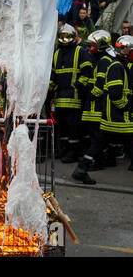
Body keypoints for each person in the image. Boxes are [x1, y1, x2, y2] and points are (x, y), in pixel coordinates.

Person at [73, 35, 133, 183]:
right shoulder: (116, 66)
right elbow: (115, 93)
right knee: (130, 143)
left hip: (111, 116)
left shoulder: (118, 64)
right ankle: (82, 168)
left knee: (99, 143)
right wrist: (125, 106)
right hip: (120, 116)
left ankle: (82, 168)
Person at [49, 24, 93, 163]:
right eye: (62, 36)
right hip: (59, 96)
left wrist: (77, 86)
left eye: (67, 36)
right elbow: (53, 75)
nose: (65, 39)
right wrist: (50, 92)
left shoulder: (80, 51)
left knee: (73, 126)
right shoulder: (56, 53)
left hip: (74, 97)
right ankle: (64, 149)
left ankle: (74, 152)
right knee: (61, 126)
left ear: (74, 37)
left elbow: (87, 72)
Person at [80, 30, 116, 171]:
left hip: (97, 106)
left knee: (97, 137)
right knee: (96, 137)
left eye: (93, 46)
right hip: (94, 106)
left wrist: (92, 95)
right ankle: (100, 159)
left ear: (101, 46)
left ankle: (98, 161)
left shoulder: (104, 61)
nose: (90, 49)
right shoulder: (99, 59)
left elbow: (100, 83)